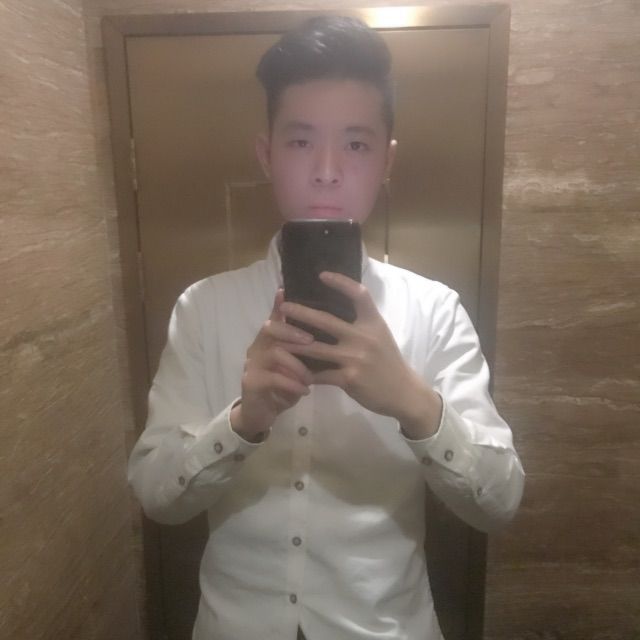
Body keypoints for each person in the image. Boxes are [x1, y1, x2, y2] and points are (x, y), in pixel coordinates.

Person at [127, 15, 525, 640]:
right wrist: (241, 422)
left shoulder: (434, 311)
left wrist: (415, 405)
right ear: (266, 154)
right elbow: (155, 495)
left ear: (388, 160)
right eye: (300, 141)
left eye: (357, 145)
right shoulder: (203, 308)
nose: (328, 170)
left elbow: (500, 503)